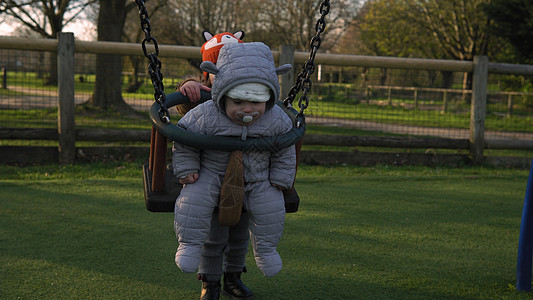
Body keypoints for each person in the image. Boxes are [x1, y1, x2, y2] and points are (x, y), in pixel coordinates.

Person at [172, 42, 296, 299]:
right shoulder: (206, 112)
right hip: (212, 174)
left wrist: (281, 178)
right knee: (195, 207)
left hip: (258, 178)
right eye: (238, 102)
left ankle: (249, 265)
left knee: (266, 212)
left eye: (256, 103)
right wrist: (187, 169)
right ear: (223, 94)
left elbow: (285, 149)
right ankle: (207, 276)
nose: (248, 110)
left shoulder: (276, 118)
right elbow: (184, 137)